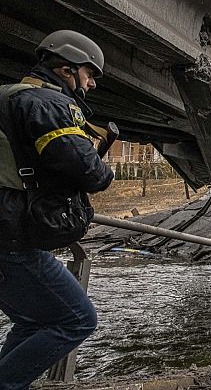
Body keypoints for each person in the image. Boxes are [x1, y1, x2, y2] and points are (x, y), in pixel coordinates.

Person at [0, 30, 114, 389]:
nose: (92, 84)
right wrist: (104, 170)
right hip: (13, 238)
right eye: (89, 74)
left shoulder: (7, 97)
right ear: (66, 70)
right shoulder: (49, 105)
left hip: (7, 231)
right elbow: (89, 171)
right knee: (77, 318)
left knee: (35, 321)